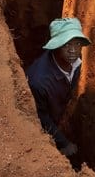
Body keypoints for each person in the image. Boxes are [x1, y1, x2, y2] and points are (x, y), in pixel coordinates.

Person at [26, 17, 91, 157]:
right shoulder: (39, 81)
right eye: (67, 45)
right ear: (55, 46)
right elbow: (40, 117)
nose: (73, 50)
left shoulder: (76, 63)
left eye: (77, 44)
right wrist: (63, 143)